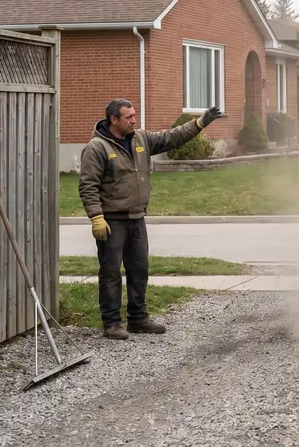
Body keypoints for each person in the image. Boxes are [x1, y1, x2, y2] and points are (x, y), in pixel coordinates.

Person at [78, 98, 222, 339]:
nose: (134, 120)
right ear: (113, 120)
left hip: (136, 218)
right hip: (111, 222)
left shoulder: (140, 138)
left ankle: (138, 319)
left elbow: (170, 138)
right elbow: (88, 185)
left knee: (139, 269)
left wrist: (198, 124)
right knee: (111, 272)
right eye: (128, 117)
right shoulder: (96, 148)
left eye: (134, 115)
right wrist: (96, 217)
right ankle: (112, 323)